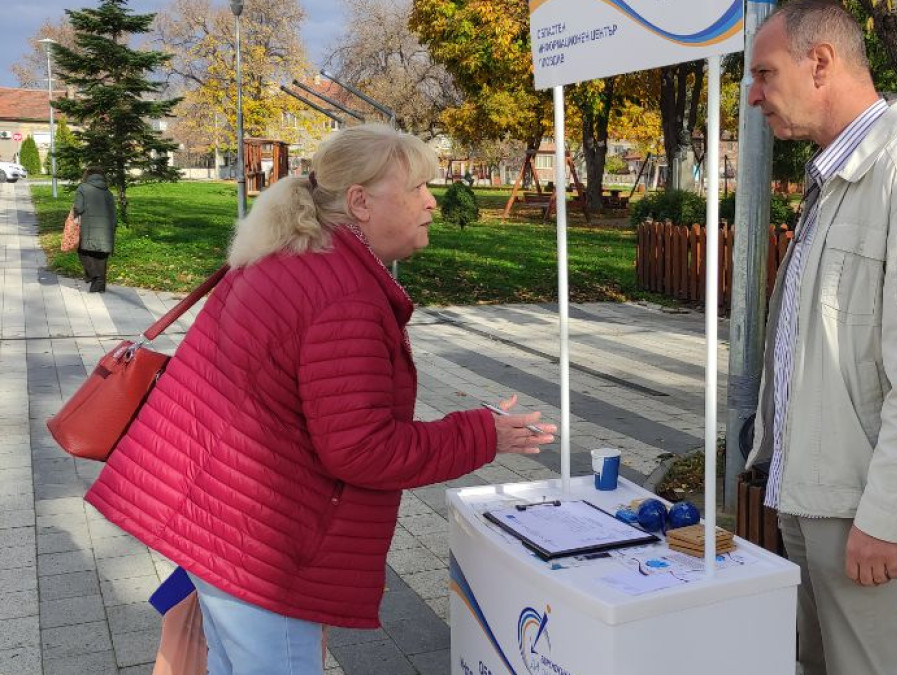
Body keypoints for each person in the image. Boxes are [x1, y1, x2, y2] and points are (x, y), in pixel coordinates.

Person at [85, 124, 556, 675]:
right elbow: (361, 450)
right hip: (260, 549)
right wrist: (483, 432)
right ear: (360, 201)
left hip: (223, 524)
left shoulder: (290, 258)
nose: (432, 201)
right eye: (417, 188)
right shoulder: (341, 294)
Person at [742, 3, 897, 674]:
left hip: (859, 501)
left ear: (820, 62)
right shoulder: (838, 180)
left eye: (765, 73)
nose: (753, 94)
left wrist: (886, 516)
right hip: (814, 488)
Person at [73, 166, 118, 292]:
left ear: (87, 176)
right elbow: (114, 213)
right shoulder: (108, 192)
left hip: (89, 229)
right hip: (106, 230)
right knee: (101, 257)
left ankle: (95, 276)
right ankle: (99, 286)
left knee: (83, 252)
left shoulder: (83, 188)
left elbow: (79, 208)